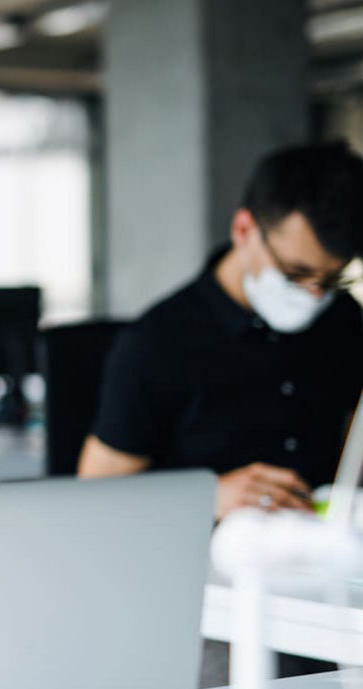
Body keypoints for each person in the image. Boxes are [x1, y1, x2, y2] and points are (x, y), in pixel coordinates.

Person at [79, 141, 363, 520]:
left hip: (325, 553)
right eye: (296, 274)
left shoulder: (343, 319)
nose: (314, 295)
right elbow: (96, 498)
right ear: (244, 229)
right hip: (199, 560)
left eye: (331, 280)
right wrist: (206, 498)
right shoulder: (155, 344)